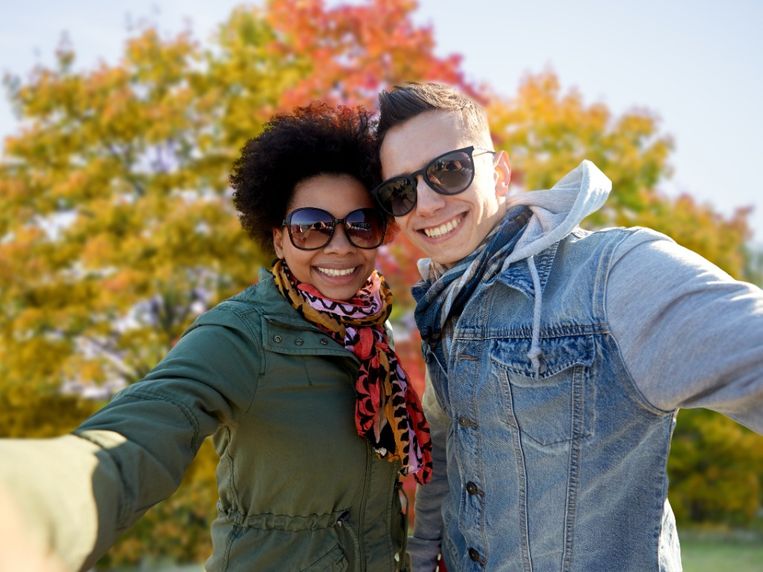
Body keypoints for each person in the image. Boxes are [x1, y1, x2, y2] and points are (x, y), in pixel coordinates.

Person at [0, 103, 432, 571]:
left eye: (361, 224)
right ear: (280, 239)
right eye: (312, 227)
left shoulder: (372, 336)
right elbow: (144, 431)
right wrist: (33, 504)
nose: (340, 245)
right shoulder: (241, 335)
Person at [372, 82, 763, 571]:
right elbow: (449, 449)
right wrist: (424, 549)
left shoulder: (609, 275)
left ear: (499, 175)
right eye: (400, 191)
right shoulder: (446, 307)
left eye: (448, 170)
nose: (425, 204)